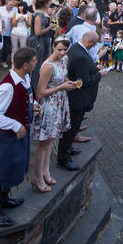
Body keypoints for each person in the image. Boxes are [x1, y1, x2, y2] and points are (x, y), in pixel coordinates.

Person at [0, 47, 36, 227]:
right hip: (5, 138)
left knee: (13, 168)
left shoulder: (25, 78)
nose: (36, 63)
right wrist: (15, 125)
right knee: (1, 173)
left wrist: (34, 105)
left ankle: (4, 198)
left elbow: (27, 98)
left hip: (18, 134)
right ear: (25, 64)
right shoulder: (7, 87)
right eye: (34, 61)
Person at [31, 37, 79, 193]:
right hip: (49, 105)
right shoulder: (47, 66)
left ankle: (45, 172)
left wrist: (69, 82)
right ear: (53, 47)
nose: (62, 53)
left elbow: (62, 77)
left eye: (65, 50)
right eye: (59, 49)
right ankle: (37, 177)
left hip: (59, 103)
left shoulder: (63, 59)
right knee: (43, 144)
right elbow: (40, 92)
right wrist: (61, 87)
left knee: (51, 141)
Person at [61, 31, 104, 171]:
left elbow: (83, 70)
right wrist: (99, 75)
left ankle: (68, 148)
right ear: (89, 42)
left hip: (76, 98)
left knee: (73, 127)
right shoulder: (81, 56)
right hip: (77, 99)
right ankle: (63, 158)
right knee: (71, 128)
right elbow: (82, 82)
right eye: (94, 44)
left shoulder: (75, 48)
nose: (93, 47)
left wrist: (93, 68)